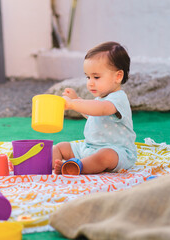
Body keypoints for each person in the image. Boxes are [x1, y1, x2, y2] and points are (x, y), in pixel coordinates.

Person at [52, 41, 137, 174]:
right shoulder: (101, 99)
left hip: (117, 152)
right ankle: (50, 165)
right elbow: (92, 115)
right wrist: (76, 100)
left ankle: (75, 168)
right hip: (89, 148)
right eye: (88, 77)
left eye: (96, 77)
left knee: (105, 156)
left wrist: (73, 104)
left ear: (118, 76)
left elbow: (101, 109)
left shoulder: (118, 99)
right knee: (60, 147)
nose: (90, 83)